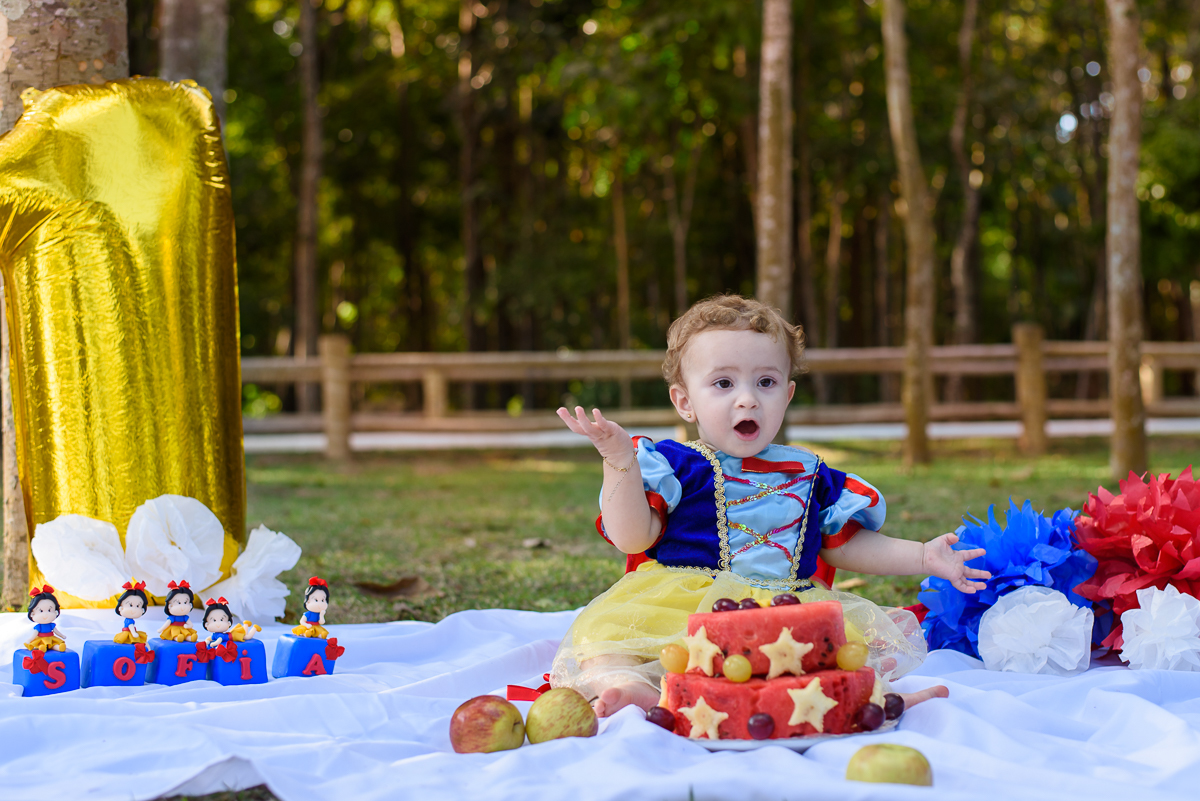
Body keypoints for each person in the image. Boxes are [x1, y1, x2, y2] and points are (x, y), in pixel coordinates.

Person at [552, 295, 990, 717]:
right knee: (608, 641)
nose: (748, 399)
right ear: (684, 401)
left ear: (788, 393)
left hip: (782, 611)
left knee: (828, 656)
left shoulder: (809, 473)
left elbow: (842, 546)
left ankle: (864, 696)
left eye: (766, 382)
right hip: (684, 606)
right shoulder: (673, 465)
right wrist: (619, 461)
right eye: (724, 383)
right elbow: (632, 536)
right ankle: (633, 686)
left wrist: (922, 555)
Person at [25, 585, 66, 652]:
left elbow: (56, 631)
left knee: (53, 645)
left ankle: (59, 648)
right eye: (41, 611)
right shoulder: (39, 627)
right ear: (32, 613)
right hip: (41, 639)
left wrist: (62, 636)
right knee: (40, 644)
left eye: (49, 610)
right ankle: (41, 648)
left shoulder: (51, 625)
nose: (46, 614)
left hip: (51, 638)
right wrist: (29, 640)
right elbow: (34, 634)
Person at [113, 580, 149, 644]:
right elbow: (131, 627)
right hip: (128, 633)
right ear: (121, 607)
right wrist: (134, 633)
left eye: (138, 606)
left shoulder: (129, 620)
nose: (134, 610)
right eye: (130, 605)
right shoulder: (129, 621)